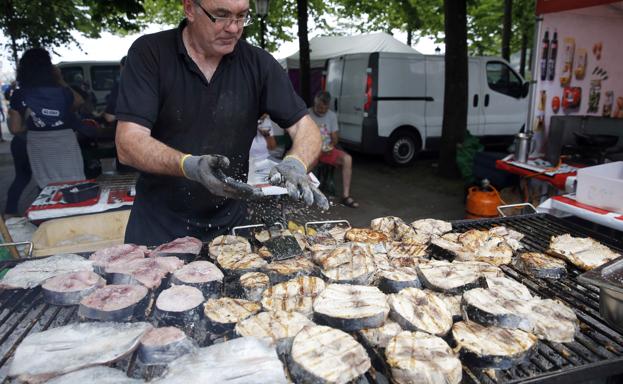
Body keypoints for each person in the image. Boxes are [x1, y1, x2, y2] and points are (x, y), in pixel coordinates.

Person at [115, 0, 328, 246]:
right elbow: (128, 142)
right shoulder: (150, 53)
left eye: (241, 16)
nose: (234, 28)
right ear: (189, 8)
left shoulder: (258, 63)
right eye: (222, 15)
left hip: (230, 230)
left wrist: (296, 162)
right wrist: (189, 165)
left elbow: (305, 127)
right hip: (158, 229)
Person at [8, 48, 85, 189]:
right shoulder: (63, 92)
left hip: (38, 144)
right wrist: (60, 79)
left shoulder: (19, 94)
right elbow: (79, 102)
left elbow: (15, 128)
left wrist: (29, 125)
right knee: (74, 183)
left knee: (47, 186)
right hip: (65, 141)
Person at [308, 91, 358, 208]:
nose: (321, 110)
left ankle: (346, 196)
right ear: (315, 103)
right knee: (309, 161)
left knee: (347, 159)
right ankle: (308, 192)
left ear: (328, 106)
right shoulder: (307, 114)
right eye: (319, 107)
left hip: (326, 149)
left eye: (324, 108)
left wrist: (331, 144)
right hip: (310, 150)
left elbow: (335, 139)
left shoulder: (332, 116)